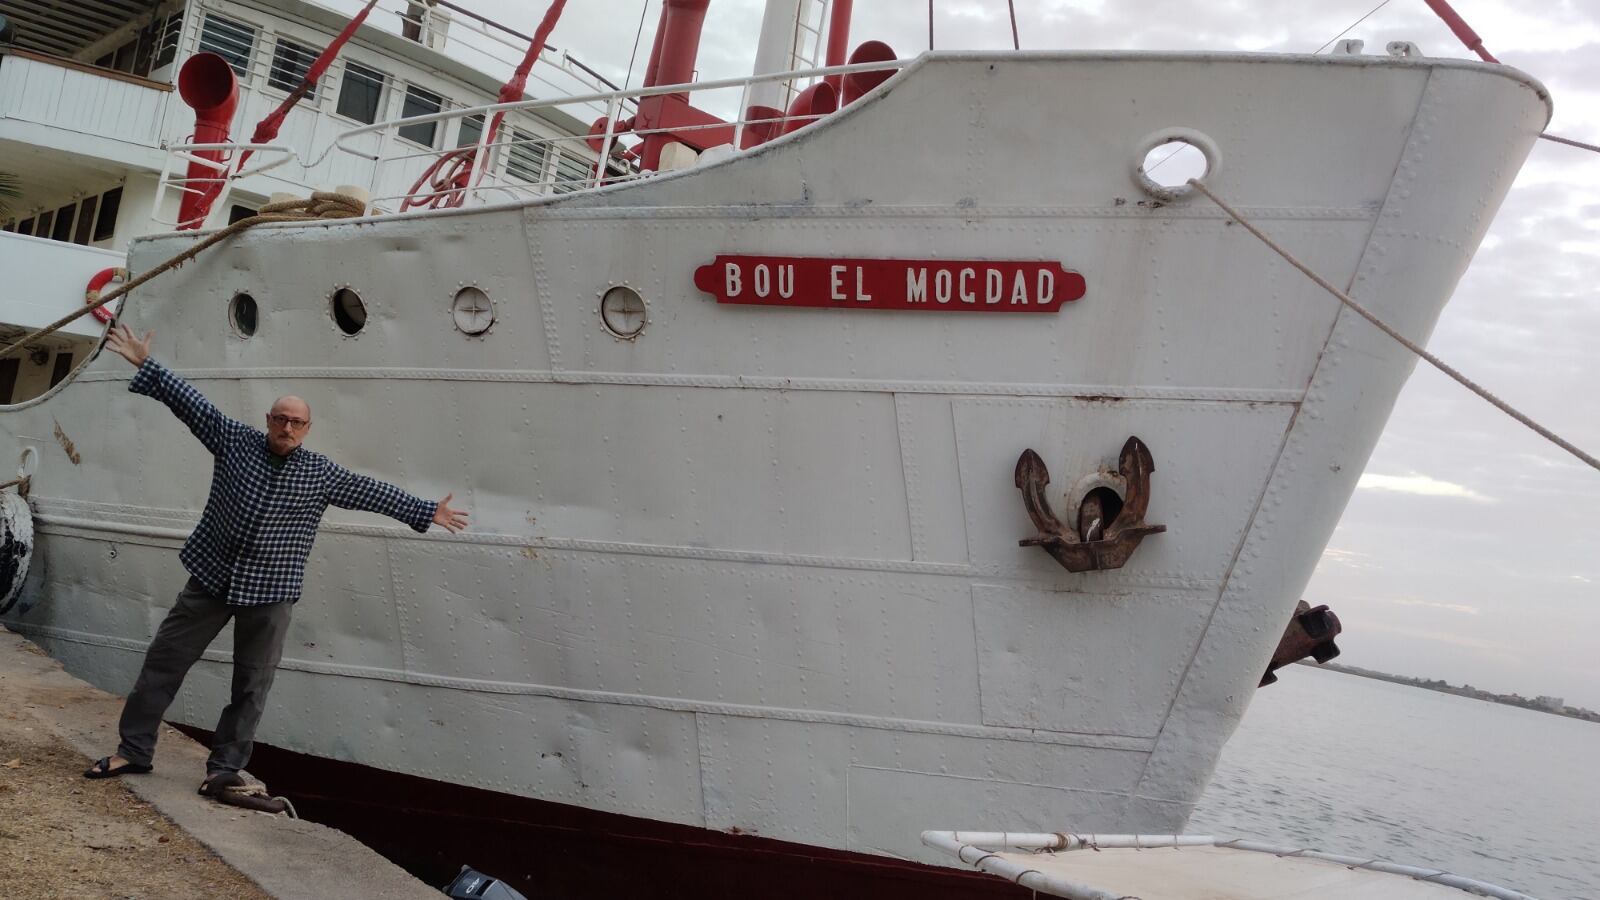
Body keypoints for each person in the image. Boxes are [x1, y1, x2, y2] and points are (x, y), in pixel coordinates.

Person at [83, 324, 468, 794]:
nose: (287, 427)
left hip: (270, 594)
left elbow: (374, 493)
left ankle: (223, 771)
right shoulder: (233, 441)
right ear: (268, 419)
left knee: (251, 686)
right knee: (164, 663)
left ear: (307, 429)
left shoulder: (322, 473)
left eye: (297, 422)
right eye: (280, 418)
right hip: (210, 578)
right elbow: (192, 405)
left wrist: (428, 511)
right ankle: (134, 751)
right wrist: (147, 363)